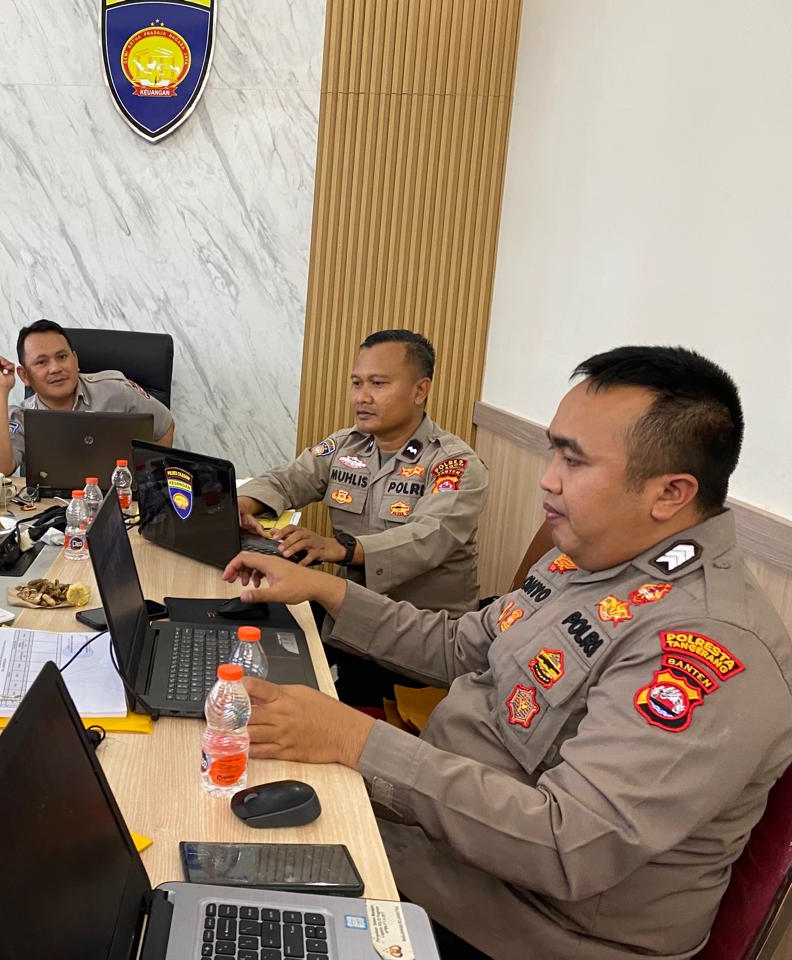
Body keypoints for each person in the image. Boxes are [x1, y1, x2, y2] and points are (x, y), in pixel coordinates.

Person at [222, 346, 792, 959]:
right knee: (216, 831)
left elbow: (568, 845)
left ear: (670, 493)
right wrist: (324, 589)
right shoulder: (586, 560)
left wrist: (355, 742)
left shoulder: (707, 646)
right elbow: (459, 645)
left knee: (235, 908)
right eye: (553, 452)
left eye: (573, 459)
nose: (548, 478)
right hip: (444, 841)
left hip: (523, 926)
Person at [237, 330, 487, 615]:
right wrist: (242, 506)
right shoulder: (346, 445)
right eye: (357, 383)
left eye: (378, 384)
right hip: (350, 612)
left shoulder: (454, 463)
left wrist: (340, 547)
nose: (361, 397)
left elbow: (426, 538)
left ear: (420, 391)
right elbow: (285, 481)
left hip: (424, 625)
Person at [0, 319, 175, 475]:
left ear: (75, 359)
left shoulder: (115, 391)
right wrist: (1, 389)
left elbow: (164, 426)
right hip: (48, 511)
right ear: (24, 375)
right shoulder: (22, 416)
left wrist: (147, 481)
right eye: (41, 362)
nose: (55, 368)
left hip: (116, 504)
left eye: (62, 357)